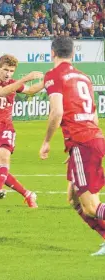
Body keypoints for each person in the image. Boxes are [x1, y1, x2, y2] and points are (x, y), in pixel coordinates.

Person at [40, 36, 105, 256]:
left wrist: (47, 142)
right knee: (74, 199)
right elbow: (94, 116)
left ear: (52, 53)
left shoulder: (53, 75)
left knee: (90, 206)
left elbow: (57, 112)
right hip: (91, 139)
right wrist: (74, 150)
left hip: (82, 140)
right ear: (73, 53)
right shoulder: (84, 77)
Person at [0, 54, 44, 207]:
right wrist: (25, 78)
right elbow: (1, 92)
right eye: (5, 70)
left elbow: (32, 90)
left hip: (5, 127)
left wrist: (50, 80)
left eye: (11, 71)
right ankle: (28, 194)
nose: (8, 74)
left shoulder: (14, 83)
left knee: (4, 156)